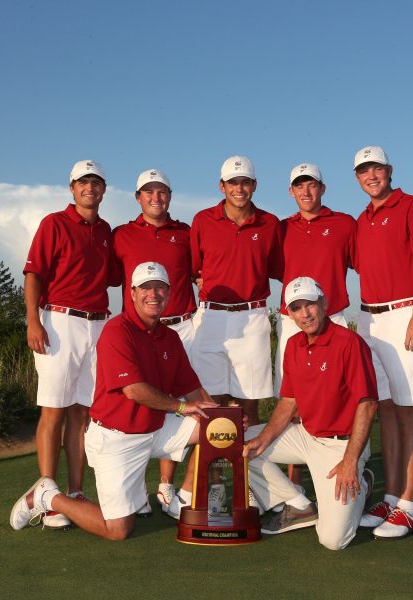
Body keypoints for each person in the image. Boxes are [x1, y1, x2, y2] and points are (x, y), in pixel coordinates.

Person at [10, 262, 218, 540]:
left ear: (168, 294)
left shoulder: (169, 337)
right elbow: (133, 390)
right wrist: (180, 407)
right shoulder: (117, 330)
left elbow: (193, 389)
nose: (153, 295)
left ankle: (183, 500)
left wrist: (225, 415)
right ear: (132, 294)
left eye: (159, 288)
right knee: (118, 530)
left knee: (217, 429)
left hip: (155, 430)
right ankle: (48, 497)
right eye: (145, 288)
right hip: (117, 439)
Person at [243, 277, 377, 550]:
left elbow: (368, 403)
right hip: (306, 435)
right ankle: (299, 505)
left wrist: (351, 460)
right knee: (240, 443)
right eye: (296, 308)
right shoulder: (293, 345)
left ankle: (361, 484)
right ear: (289, 314)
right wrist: (263, 439)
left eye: (310, 305)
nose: (305, 314)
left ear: (324, 304)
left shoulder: (349, 343)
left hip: (341, 446)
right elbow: (288, 402)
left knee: (333, 540)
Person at [352, 146, 413, 539]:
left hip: (405, 312)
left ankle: (408, 505)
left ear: (389, 170)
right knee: (385, 409)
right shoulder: (362, 220)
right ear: (357, 178)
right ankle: (389, 497)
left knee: (408, 411)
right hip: (369, 318)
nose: (371, 176)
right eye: (362, 171)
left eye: (376, 169)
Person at [23, 159, 117, 529]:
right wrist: (32, 320)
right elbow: (34, 273)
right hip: (58, 322)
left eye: (95, 183)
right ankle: (48, 499)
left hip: (97, 325)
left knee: (82, 412)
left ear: (103, 190)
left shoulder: (106, 230)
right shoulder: (54, 223)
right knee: (54, 410)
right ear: (72, 188)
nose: (89, 188)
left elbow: (114, 277)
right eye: (82, 183)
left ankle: (75, 493)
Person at [186, 155, 282, 514]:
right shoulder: (203, 220)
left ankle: (248, 485)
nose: (239, 188)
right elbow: (194, 267)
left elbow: (277, 269)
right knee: (212, 403)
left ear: (254, 186)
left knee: (249, 404)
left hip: (253, 316)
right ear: (221, 186)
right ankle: (213, 486)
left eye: (246, 182)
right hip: (211, 317)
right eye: (232, 183)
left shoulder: (270, 223)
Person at [112, 169, 197, 513]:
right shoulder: (121, 235)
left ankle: (165, 487)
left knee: (177, 398)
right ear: (138, 198)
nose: (156, 198)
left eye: (162, 192)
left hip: (182, 326)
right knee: (139, 399)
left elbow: (201, 274)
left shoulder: (186, 233)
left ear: (170, 196)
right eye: (148, 192)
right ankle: (137, 489)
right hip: (138, 332)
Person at [276, 163, 357, 488]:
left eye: (312, 186)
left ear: (323, 189)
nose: (306, 192)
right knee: (294, 399)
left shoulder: (344, 224)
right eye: (299, 186)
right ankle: (295, 482)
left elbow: (370, 261)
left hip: (332, 316)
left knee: (336, 397)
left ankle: (345, 464)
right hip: (292, 319)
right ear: (291, 191)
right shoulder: (281, 229)